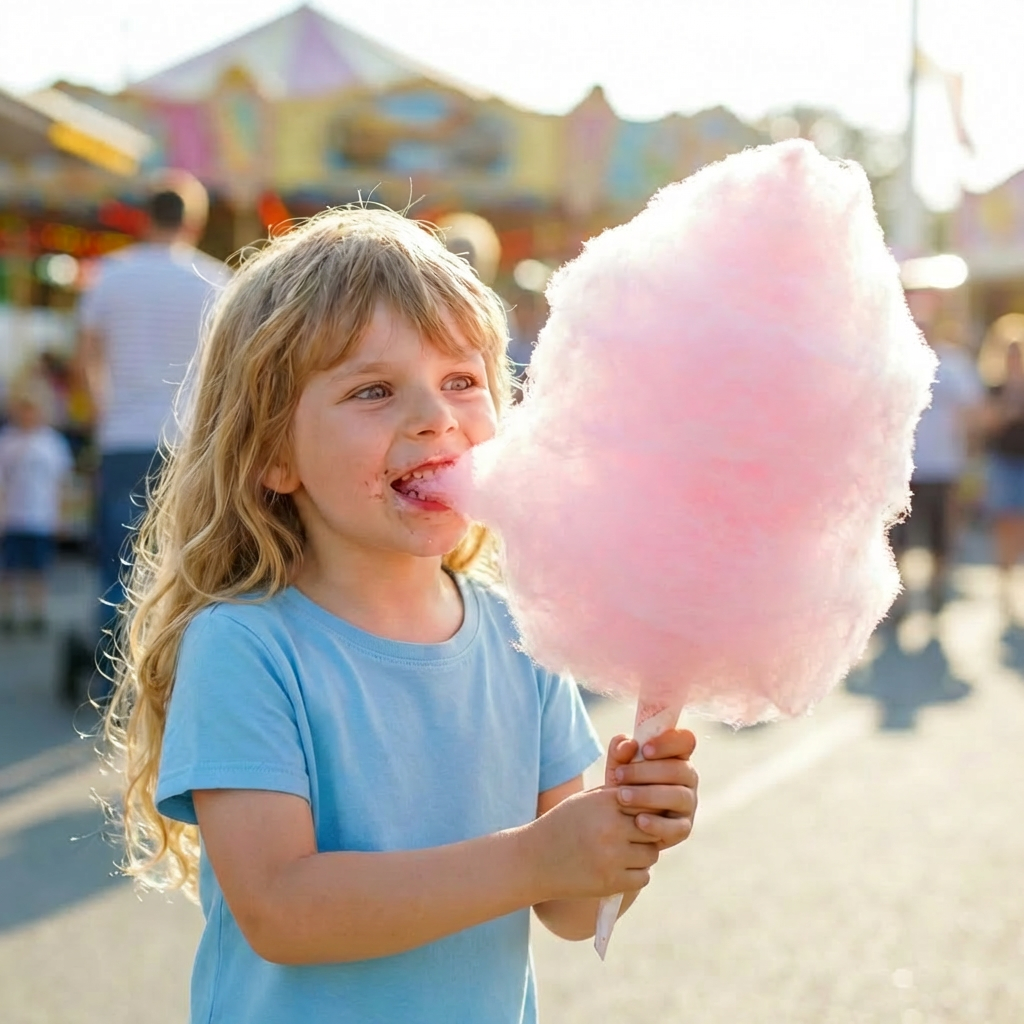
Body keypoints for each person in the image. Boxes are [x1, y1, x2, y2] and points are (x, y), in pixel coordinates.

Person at [101, 209, 699, 1023]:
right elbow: (283, 909)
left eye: (462, 380)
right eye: (373, 390)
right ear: (273, 453)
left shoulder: (525, 635)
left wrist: (619, 836)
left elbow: (565, 908)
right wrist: (534, 859)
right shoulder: (246, 646)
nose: (434, 416)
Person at [68, 171, 227, 697]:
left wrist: (104, 414)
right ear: (194, 221)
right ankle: (173, 666)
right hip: (188, 440)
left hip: (123, 436)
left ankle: (112, 669)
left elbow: (87, 359)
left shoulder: (109, 277)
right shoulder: (214, 281)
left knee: (118, 551)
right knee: (182, 554)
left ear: (144, 215)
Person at [890, 315, 985, 615]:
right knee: (897, 536)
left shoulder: (954, 364)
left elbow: (972, 412)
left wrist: (970, 458)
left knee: (939, 535)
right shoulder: (892, 362)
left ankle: (936, 588)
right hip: (899, 469)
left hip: (943, 467)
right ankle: (899, 596)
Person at [0, 376, 74, 633]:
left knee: (38, 570)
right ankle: (8, 613)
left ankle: (36, 612)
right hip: (13, 517)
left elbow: (60, 484)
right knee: (9, 570)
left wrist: (61, 516)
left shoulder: (52, 443)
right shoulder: (7, 442)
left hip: (40, 517)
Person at [983, 340, 1024, 618]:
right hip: (1004, 462)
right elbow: (986, 423)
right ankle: (1005, 580)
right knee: (1005, 523)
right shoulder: (995, 388)